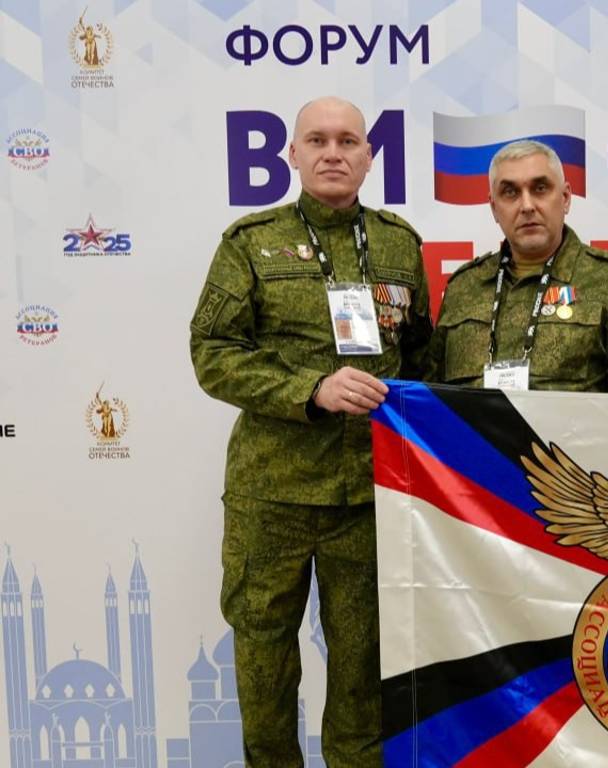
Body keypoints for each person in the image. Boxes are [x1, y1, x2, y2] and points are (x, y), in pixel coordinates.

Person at [190, 96, 431, 767]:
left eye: (348, 141)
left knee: (363, 673)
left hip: (370, 499)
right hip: (273, 497)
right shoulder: (250, 243)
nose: (333, 153)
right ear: (292, 154)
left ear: (369, 158)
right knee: (264, 664)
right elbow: (212, 353)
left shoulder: (398, 244)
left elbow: (421, 358)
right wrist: (310, 390)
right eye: (317, 140)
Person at [427, 140, 608, 392]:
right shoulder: (463, 287)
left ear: (565, 198)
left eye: (540, 189)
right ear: (494, 208)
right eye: (510, 192)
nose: (527, 206)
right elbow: (429, 396)